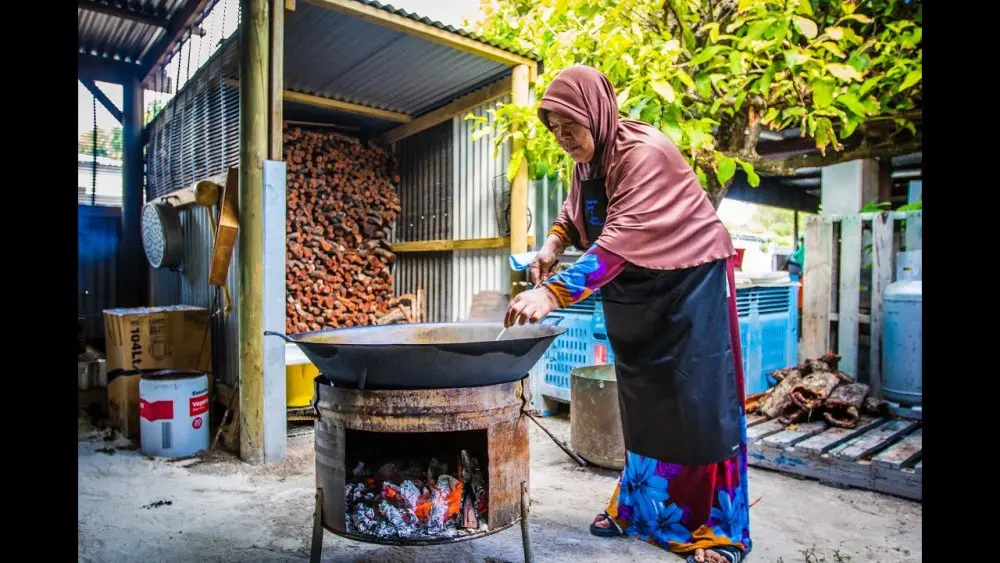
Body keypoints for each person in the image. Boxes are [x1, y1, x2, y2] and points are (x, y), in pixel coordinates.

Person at [504, 65, 752, 563]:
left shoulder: (644, 153)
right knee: (645, 402)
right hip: (637, 292)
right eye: (554, 129)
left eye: (569, 125)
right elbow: (573, 217)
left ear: (594, 111)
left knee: (699, 405)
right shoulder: (587, 163)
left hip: (690, 285)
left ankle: (718, 531)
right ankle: (640, 510)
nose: (563, 137)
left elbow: (618, 242)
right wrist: (551, 246)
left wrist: (551, 294)